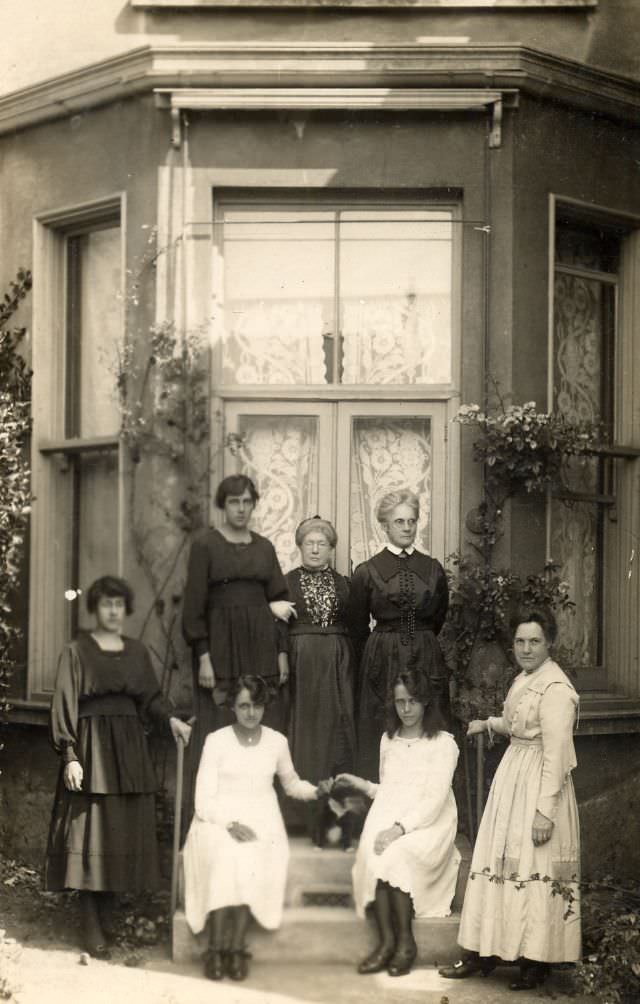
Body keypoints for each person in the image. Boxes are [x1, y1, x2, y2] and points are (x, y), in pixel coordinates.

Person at [44, 575, 192, 959]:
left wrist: (172, 720)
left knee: (119, 834)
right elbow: (63, 705)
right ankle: (91, 925)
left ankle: (108, 920)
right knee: (90, 835)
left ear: (125, 610)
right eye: (105, 604)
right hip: (92, 748)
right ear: (95, 609)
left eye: (118, 605)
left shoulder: (137, 652)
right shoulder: (76, 652)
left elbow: (151, 698)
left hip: (127, 750)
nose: (112, 611)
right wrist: (70, 756)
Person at [439, 607, 581, 991]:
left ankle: (535, 962)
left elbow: (555, 754)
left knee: (532, 866)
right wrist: (488, 723)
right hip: (514, 777)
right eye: (520, 641)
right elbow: (519, 723)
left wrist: (544, 813)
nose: (526, 648)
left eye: (534, 641)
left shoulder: (556, 690)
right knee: (497, 862)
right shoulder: (525, 679)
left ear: (549, 642)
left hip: (538, 785)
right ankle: (482, 952)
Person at [183, 675, 328, 981]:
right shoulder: (216, 741)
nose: (251, 712)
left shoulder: (277, 742)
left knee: (251, 856)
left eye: (257, 705)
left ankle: (236, 948)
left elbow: (291, 785)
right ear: (233, 708)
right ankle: (215, 948)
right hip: (218, 816)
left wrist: (319, 791)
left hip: (263, 817)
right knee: (224, 855)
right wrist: (230, 824)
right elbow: (202, 800)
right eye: (244, 705)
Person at [182, 475, 295, 820]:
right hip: (220, 650)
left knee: (260, 726)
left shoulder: (264, 547)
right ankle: (215, 818)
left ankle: (258, 816)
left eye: (247, 501)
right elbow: (193, 608)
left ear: (254, 504)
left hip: (261, 648)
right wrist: (203, 657)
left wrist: (280, 655)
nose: (241, 509)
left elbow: (279, 605)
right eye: (234, 502)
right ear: (223, 506)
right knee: (219, 727)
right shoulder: (206, 547)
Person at [336, 666, 460, 978]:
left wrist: (398, 829)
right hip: (392, 816)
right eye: (400, 702)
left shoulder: (444, 744)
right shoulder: (388, 740)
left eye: (412, 702)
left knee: (396, 855)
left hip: (430, 824)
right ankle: (386, 943)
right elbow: (388, 789)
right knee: (372, 853)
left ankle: (406, 943)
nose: (406, 709)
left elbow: (433, 801)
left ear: (426, 703)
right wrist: (361, 784)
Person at [349, 488, 449, 781]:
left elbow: (439, 615)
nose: (407, 528)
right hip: (382, 658)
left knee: (428, 725)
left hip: (425, 654)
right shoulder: (367, 571)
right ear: (384, 525)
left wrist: (421, 639)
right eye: (399, 522)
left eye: (412, 521)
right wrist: (380, 651)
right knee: (384, 726)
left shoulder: (432, 569)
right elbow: (356, 627)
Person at [285, 516, 357, 845]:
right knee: (305, 729)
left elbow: (356, 626)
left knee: (335, 728)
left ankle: (337, 815)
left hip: (336, 663)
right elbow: (277, 628)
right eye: (309, 543)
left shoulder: (345, 583)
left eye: (322, 544)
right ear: (300, 547)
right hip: (302, 663)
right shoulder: (285, 583)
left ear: (331, 549)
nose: (315, 549)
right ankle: (303, 815)